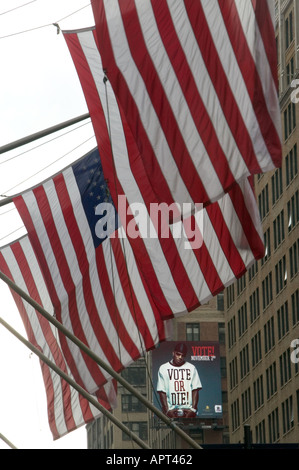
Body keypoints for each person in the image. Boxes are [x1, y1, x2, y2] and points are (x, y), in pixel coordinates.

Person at [157, 343, 202, 418]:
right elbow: (162, 391)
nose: (180, 357)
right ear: (173, 353)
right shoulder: (163, 368)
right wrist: (167, 410)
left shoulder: (191, 368)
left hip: (187, 410)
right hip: (171, 410)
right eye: (178, 354)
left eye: (183, 355)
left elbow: (195, 389)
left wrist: (193, 410)